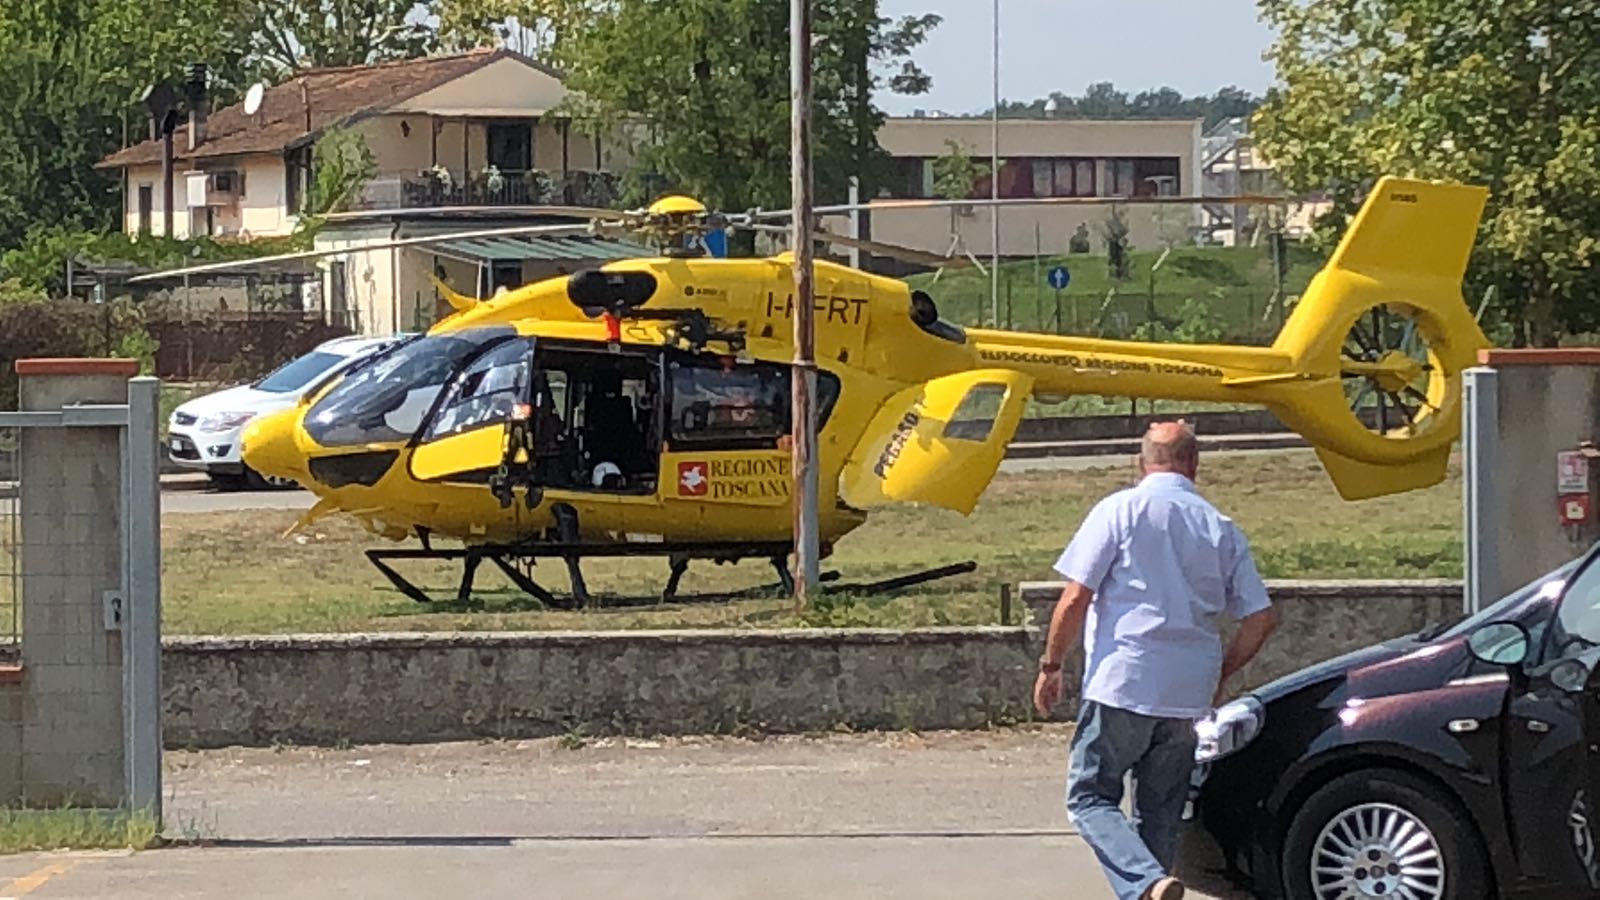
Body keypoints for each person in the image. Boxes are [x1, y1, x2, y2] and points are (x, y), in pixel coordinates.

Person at [1033, 421, 1279, 900]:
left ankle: (1146, 883)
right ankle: (1153, 885)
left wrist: (1051, 665)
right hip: (1188, 692)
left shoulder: (1120, 510)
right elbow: (1261, 618)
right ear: (1194, 465)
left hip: (1124, 679)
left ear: (1142, 463)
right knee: (1160, 812)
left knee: (1089, 797)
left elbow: (1076, 596)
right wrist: (1222, 674)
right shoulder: (1220, 527)